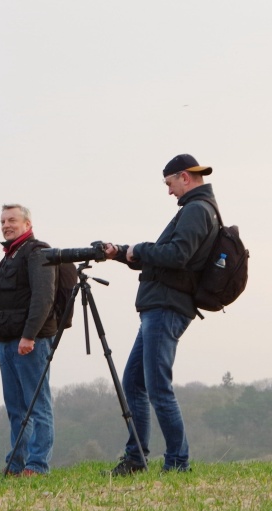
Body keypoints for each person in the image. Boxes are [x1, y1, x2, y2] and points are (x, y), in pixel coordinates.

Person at [104, 154, 220, 475]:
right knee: (135, 383)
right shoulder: (194, 210)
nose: (169, 191)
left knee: (157, 387)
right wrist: (122, 253)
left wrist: (139, 249)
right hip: (160, 305)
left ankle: (177, 463)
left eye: (169, 183)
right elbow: (163, 256)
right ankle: (136, 458)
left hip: (167, 307)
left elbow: (177, 255)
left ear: (184, 177)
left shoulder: (197, 210)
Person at [0, 204, 57, 476]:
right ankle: (15, 464)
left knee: (38, 405)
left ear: (27, 223)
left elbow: (43, 298)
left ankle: (37, 464)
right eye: (2, 221)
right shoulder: (9, 256)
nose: (6, 225)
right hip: (6, 340)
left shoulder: (37, 252)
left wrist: (29, 335)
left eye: (12, 220)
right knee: (16, 408)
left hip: (29, 342)